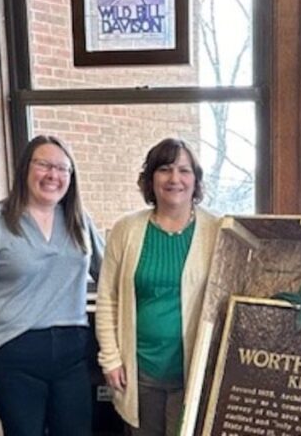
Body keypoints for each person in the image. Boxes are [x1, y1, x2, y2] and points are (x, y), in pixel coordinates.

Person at [0, 135, 103, 436]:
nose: (53, 175)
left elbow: (113, 274)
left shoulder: (78, 220)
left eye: (63, 168)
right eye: (44, 165)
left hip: (72, 354)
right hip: (14, 354)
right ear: (24, 169)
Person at [95, 138, 222, 435]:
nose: (174, 178)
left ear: (196, 180)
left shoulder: (218, 231)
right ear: (151, 179)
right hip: (139, 374)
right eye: (165, 169)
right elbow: (108, 300)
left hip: (194, 375)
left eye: (184, 170)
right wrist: (111, 359)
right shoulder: (125, 230)